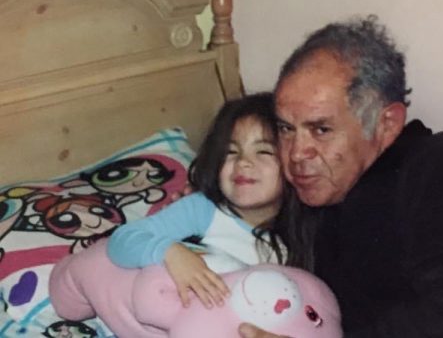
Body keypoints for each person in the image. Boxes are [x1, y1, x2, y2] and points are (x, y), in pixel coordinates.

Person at [239, 16, 443, 338]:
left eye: (321, 129)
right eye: (285, 128)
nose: (296, 153)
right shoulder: (316, 202)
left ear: (387, 123)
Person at [49, 94, 304, 334]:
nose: (243, 162)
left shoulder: (300, 237)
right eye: (231, 152)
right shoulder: (202, 209)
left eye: (264, 152)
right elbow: (122, 240)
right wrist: (171, 253)